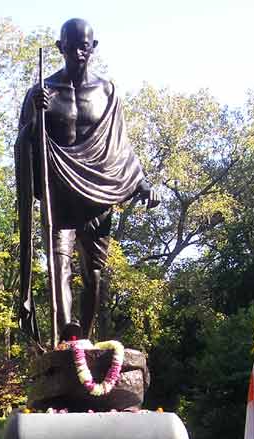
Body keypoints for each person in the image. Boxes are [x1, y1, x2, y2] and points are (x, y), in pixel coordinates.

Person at [16, 18, 159, 343]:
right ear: (60, 47)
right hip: (59, 196)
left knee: (93, 275)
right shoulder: (41, 92)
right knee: (58, 269)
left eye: (86, 44)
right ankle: (68, 339)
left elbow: (120, 148)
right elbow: (24, 144)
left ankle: (86, 341)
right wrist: (34, 120)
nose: (80, 50)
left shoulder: (107, 92)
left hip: (97, 196)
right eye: (73, 43)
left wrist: (141, 182)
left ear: (93, 47)